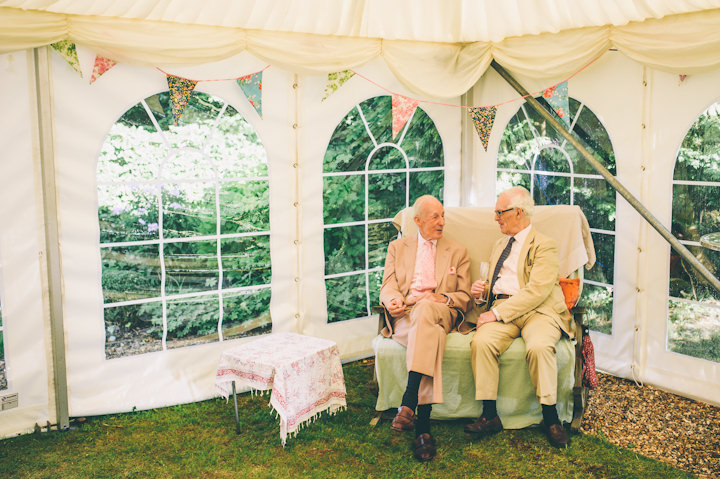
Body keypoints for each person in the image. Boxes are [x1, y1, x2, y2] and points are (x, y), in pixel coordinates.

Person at [464, 186, 574, 448]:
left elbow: (537, 291)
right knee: (481, 342)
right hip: (503, 310)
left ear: (518, 212)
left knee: (538, 346)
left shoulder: (544, 245)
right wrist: (481, 295)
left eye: (499, 212)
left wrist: (496, 313)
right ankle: (490, 416)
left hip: (539, 311)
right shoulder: (499, 245)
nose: (495, 218)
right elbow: (495, 284)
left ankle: (551, 418)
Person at [379, 195, 472, 461]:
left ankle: (409, 401)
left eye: (443, 216)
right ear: (417, 221)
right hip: (408, 317)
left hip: (441, 311)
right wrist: (393, 300)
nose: (442, 222)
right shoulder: (397, 248)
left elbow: (464, 296)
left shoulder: (458, 251)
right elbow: (387, 285)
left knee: (426, 310)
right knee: (429, 336)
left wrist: (441, 298)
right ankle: (423, 427)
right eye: (435, 217)